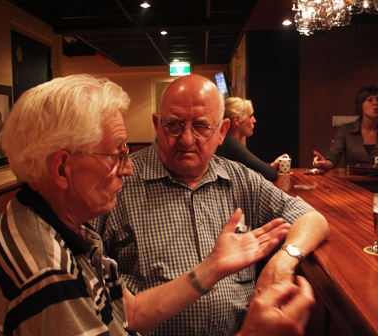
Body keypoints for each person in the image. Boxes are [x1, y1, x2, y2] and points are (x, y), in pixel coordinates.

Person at [0, 74, 315, 336]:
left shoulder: (59, 223)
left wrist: (213, 267)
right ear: (62, 168)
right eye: (117, 153)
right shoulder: (47, 272)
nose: (129, 166)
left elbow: (128, 310)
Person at [92, 74, 329, 336]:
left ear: (222, 132)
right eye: (173, 125)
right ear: (157, 125)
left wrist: (284, 260)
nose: (186, 139)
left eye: (202, 127)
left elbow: (311, 218)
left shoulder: (241, 179)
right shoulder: (118, 183)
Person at [215, 97, 289, 181]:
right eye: (250, 116)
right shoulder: (230, 144)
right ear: (237, 121)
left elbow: (256, 167)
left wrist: (272, 165)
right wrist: (270, 168)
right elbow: (271, 174)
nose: (254, 120)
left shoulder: (227, 141)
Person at [313, 86, 378, 170]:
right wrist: (324, 163)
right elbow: (333, 156)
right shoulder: (346, 130)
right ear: (360, 105)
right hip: (352, 181)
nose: (376, 103)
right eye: (370, 100)